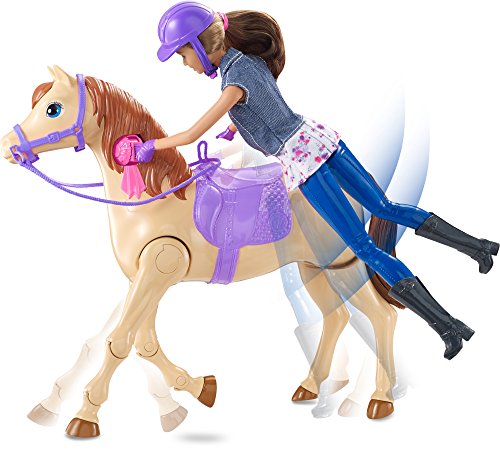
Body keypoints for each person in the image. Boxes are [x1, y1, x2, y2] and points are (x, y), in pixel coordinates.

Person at [135, 2, 498, 359]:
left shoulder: (232, 83)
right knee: (385, 208)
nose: (186, 64)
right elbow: (264, 98)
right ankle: (479, 248)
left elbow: (192, 133)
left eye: (184, 55)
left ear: (200, 45)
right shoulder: (248, 63)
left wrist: (151, 146)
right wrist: (236, 126)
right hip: (317, 138)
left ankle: (448, 327)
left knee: (363, 246)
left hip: (302, 160)